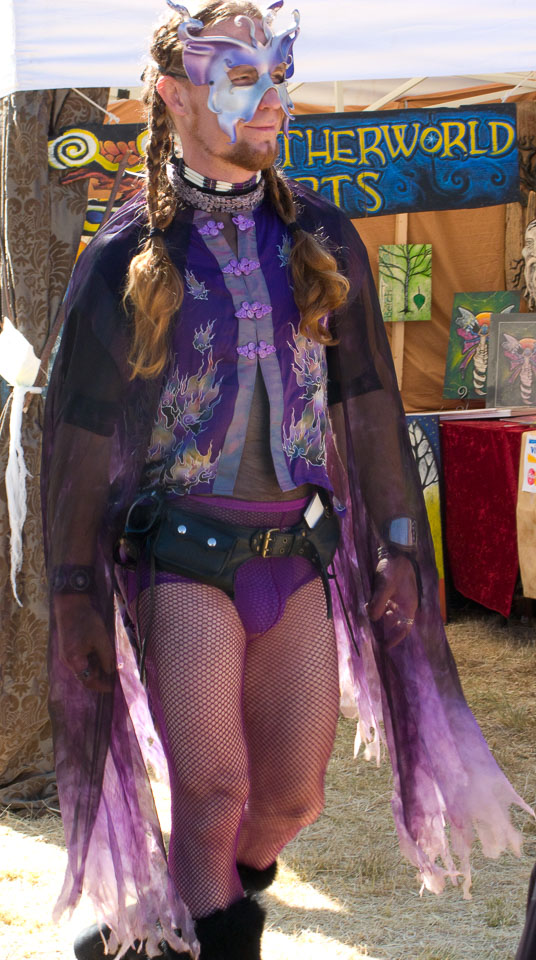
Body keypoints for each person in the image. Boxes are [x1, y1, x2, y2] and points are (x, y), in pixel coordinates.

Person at [41, 3, 531, 959]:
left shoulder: (323, 237)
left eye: (279, 75)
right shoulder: (124, 260)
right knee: (213, 791)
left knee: (293, 798)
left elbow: (371, 405)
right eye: (240, 77)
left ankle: (160, 925)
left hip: (298, 555)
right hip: (180, 558)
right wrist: (74, 595)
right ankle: (211, 932)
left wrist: (397, 546)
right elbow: (78, 441)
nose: (272, 99)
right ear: (174, 96)